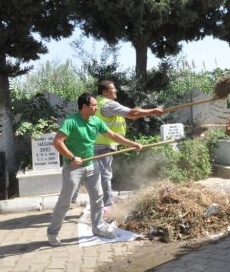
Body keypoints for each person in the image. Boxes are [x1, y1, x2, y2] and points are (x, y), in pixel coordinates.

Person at [47, 93, 143, 247]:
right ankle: (52, 233)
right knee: (65, 202)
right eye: (93, 105)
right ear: (84, 107)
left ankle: (98, 228)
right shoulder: (71, 122)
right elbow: (57, 142)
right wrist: (72, 157)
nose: (96, 108)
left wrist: (132, 144)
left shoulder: (96, 121)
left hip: (91, 164)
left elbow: (112, 135)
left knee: (98, 197)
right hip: (73, 167)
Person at [72, 80, 164, 209]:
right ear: (104, 92)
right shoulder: (108, 105)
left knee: (89, 171)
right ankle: (107, 205)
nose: (116, 91)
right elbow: (133, 114)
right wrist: (153, 111)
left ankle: (74, 196)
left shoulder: (96, 102)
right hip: (103, 145)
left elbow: (131, 116)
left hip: (92, 143)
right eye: (113, 88)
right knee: (105, 175)